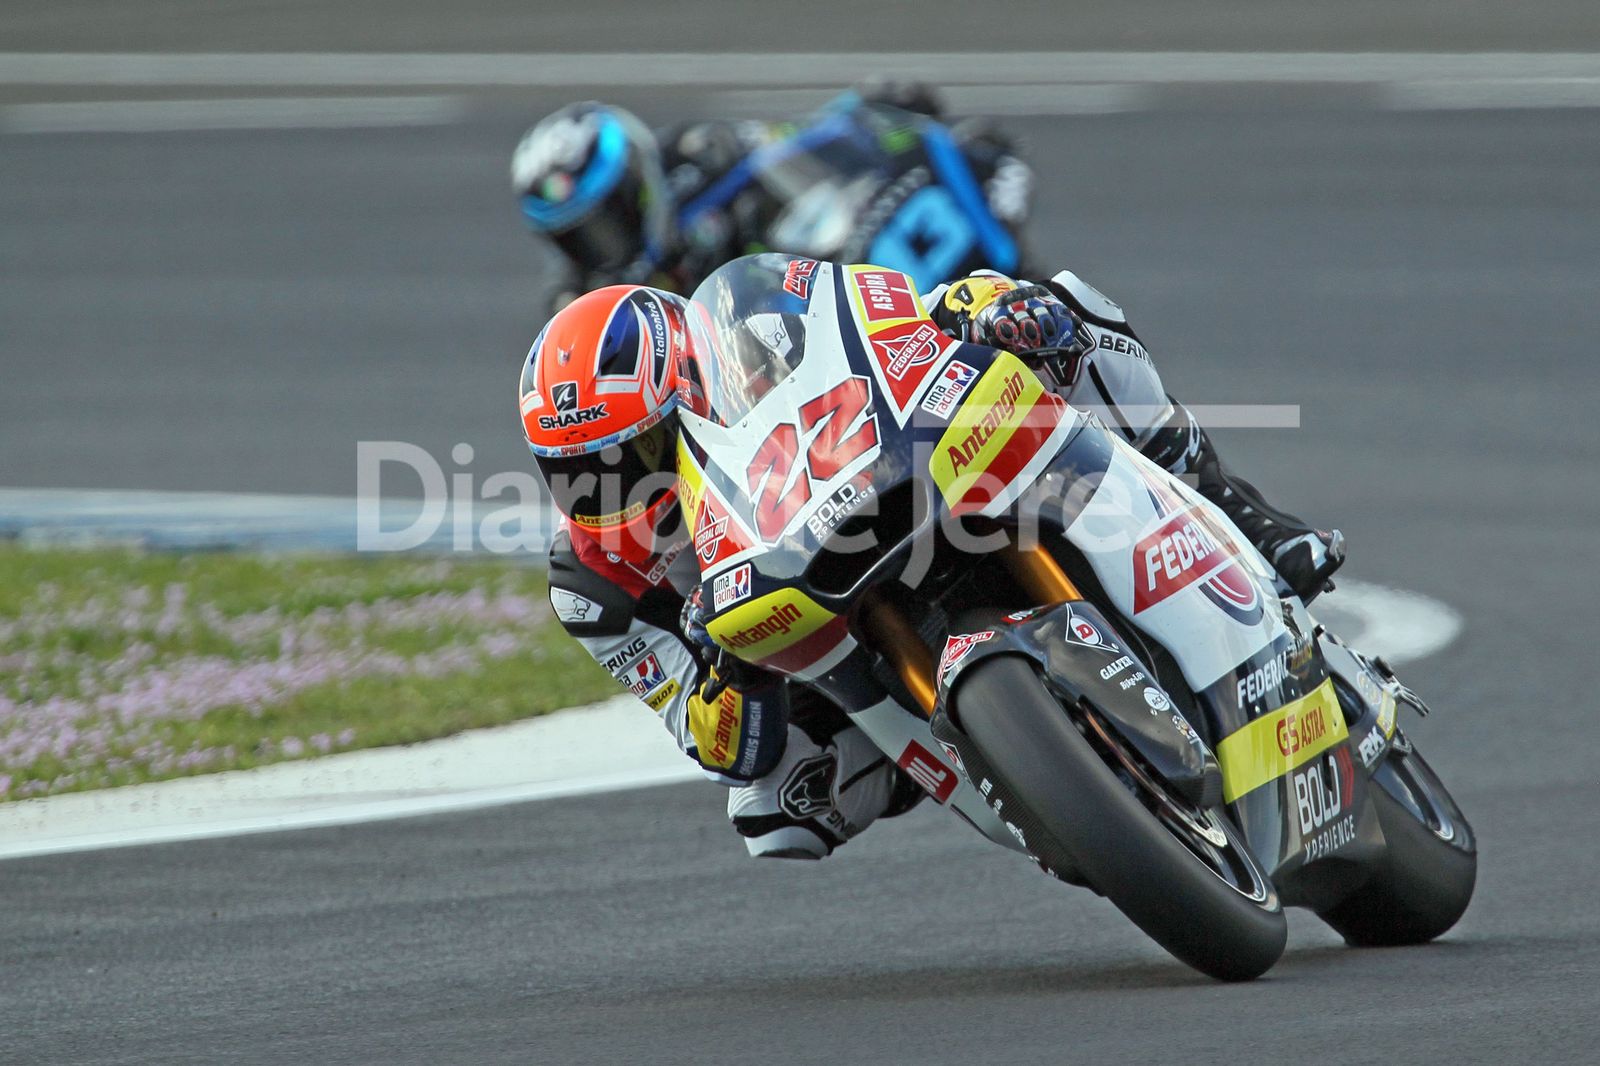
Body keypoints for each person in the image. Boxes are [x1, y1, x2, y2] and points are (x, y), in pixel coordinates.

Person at [518, 265, 1343, 861]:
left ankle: (1242, 513)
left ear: (690, 392)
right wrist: (733, 679)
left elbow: (874, 320)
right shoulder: (595, 587)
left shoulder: (755, 346)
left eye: (639, 452)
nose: (616, 487)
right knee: (774, 811)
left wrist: (971, 311)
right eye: (579, 469)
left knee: (1055, 307)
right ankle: (999, 767)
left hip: (863, 492)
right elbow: (713, 743)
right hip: (801, 657)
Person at [510, 85, 1030, 308]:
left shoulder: (700, 156)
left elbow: (791, 142)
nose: (597, 247)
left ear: (635, 189)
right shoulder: (585, 298)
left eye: (604, 224)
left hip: (806, 278)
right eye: (576, 239)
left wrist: (867, 108)